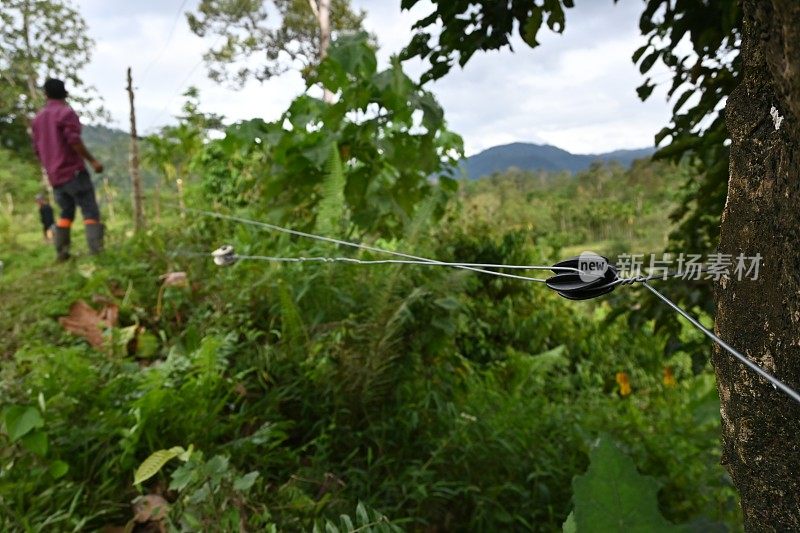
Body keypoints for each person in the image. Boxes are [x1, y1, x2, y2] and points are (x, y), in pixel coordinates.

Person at [31, 78, 104, 261]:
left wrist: (50, 168)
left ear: (45, 95)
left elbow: (37, 150)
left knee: (66, 212)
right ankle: (97, 253)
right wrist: (93, 161)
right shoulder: (65, 113)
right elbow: (74, 141)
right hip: (73, 172)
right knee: (90, 211)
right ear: (65, 93)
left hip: (55, 177)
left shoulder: (38, 119)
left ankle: (62, 253)